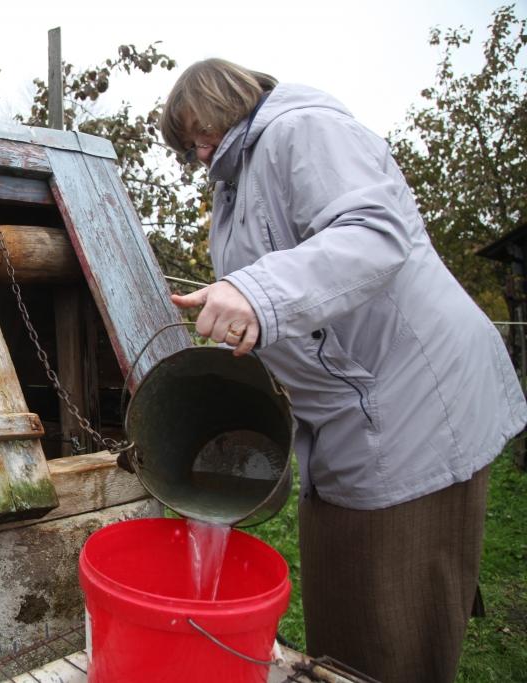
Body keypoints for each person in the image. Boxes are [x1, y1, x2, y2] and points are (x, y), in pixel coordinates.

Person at [160, 58, 527, 682]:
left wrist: (256, 293)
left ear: (224, 98)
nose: (196, 151)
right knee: (345, 604)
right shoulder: (236, 183)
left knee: (394, 617)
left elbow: (373, 233)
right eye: (187, 143)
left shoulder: (302, 130)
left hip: (412, 401)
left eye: (198, 131)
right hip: (349, 413)